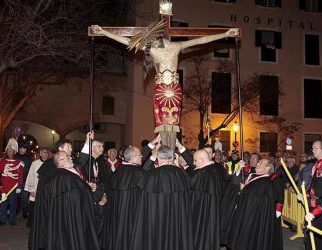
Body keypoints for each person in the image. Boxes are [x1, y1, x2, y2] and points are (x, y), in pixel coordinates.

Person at [90, 24, 239, 148]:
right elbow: (127, 42)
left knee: (173, 121)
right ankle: (164, 147)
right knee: (162, 121)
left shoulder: (177, 46)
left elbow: (202, 40)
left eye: (151, 39)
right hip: (161, 88)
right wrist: (104, 32)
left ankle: (172, 147)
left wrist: (225, 33)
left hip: (174, 88)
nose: (150, 42)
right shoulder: (153, 49)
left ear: (157, 35)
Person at [29, 132, 92, 250]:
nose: (71, 149)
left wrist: (88, 141)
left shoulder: (68, 162)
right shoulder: (50, 164)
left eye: (71, 147)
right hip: (52, 205)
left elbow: (81, 160)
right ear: (60, 148)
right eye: (68, 147)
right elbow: (47, 188)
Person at [130, 145, 193, 250]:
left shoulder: (150, 176)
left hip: (155, 223)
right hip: (176, 222)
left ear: (158, 158)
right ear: (172, 158)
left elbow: (143, 206)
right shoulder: (182, 175)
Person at [46, 151, 100, 250]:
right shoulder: (64, 176)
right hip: (72, 217)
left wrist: (87, 187)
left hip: (68, 216)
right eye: (67, 157)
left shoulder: (65, 173)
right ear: (60, 161)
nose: (70, 157)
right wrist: (89, 190)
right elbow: (75, 196)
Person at [224, 159, 281, 250]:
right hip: (245, 213)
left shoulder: (266, 183)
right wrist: (243, 189)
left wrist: (244, 191)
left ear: (267, 168)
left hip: (252, 219)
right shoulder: (254, 177)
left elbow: (256, 201)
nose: (257, 163)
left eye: (260, 163)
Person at [102, 146, 147, 250]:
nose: (141, 157)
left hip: (116, 217)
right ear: (133, 157)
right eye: (140, 155)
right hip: (133, 217)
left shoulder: (116, 172)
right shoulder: (140, 173)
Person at [189, 149, 226, 250]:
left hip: (200, 211)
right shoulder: (213, 169)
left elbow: (187, 185)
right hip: (210, 211)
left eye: (195, 160)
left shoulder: (202, 172)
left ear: (202, 160)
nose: (193, 163)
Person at [0, 138, 24, 226]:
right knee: (3, 203)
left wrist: (19, 186)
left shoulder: (19, 162)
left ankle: (12, 220)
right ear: (6, 151)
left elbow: (20, 175)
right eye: (8, 151)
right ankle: (2, 219)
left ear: (14, 152)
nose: (10, 152)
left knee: (13, 204)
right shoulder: (2, 161)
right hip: (3, 186)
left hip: (14, 187)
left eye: (11, 151)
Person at [24, 147, 49, 228]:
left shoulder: (51, 163)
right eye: (43, 152)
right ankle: (32, 223)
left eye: (46, 152)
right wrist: (31, 189)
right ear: (40, 154)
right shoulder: (35, 163)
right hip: (35, 188)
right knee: (34, 207)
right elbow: (31, 176)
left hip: (46, 190)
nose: (45, 154)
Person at [15, 143, 33, 219]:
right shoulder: (15, 157)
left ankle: (25, 213)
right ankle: (16, 211)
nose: (23, 150)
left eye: (24, 148)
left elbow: (30, 169)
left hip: (25, 180)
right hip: (15, 179)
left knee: (25, 197)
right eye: (21, 148)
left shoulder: (29, 158)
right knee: (16, 197)